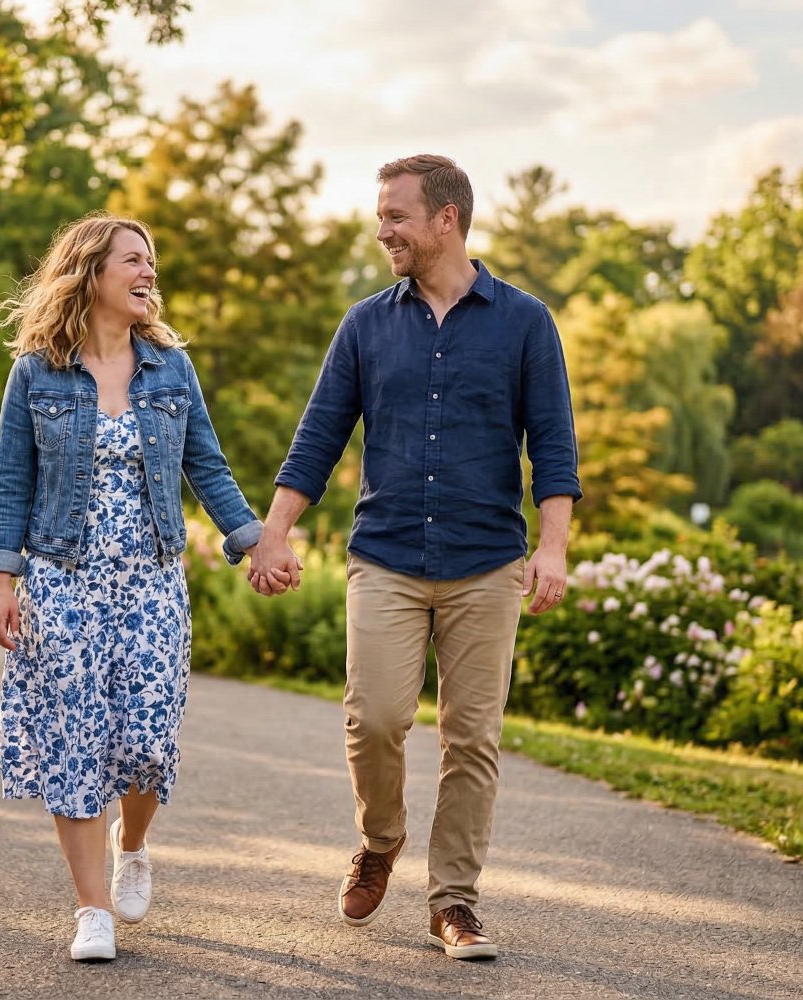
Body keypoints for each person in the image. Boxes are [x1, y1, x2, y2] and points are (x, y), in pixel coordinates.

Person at [250, 155, 582, 960]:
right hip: (388, 557)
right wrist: (275, 528)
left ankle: (455, 903)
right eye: (381, 214)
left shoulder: (526, 321)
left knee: (472, 738)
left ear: (446, 219)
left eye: (396, 215)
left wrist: (553, 546)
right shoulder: (366, 323)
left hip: (487, 563)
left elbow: (556, 444)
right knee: (377, 719)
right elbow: (319, 435)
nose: (382, 229)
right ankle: (381, 838)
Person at [0, 213, 265, 963]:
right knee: (74, 743)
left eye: (152, 263)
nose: (148, 274)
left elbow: (208, 465)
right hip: (61, 580)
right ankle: (92, 911)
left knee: (146, 740)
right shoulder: (37, 371)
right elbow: (11, 482)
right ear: (91, 273)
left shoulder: (171, 368)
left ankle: (130, 842)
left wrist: (253, 542)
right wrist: (2, 583)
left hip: (150, 582)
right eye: (133, 261)